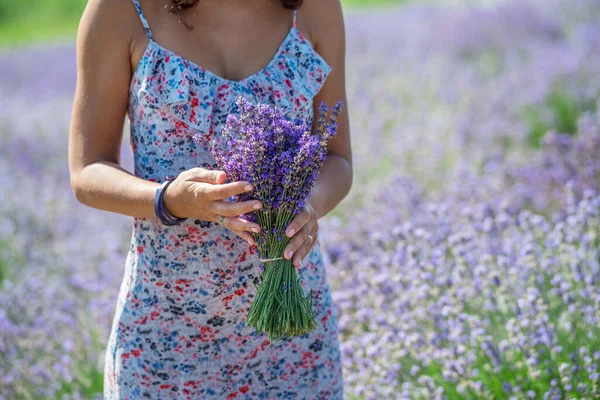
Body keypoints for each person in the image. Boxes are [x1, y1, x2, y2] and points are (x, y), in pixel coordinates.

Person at [68, 0, 352, 398]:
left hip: (292, 335)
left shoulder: (313, 7)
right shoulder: (119, 10)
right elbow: (87, 170)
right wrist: (170, 199)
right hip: (166, 339)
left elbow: (336, 158)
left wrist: (308, 204)